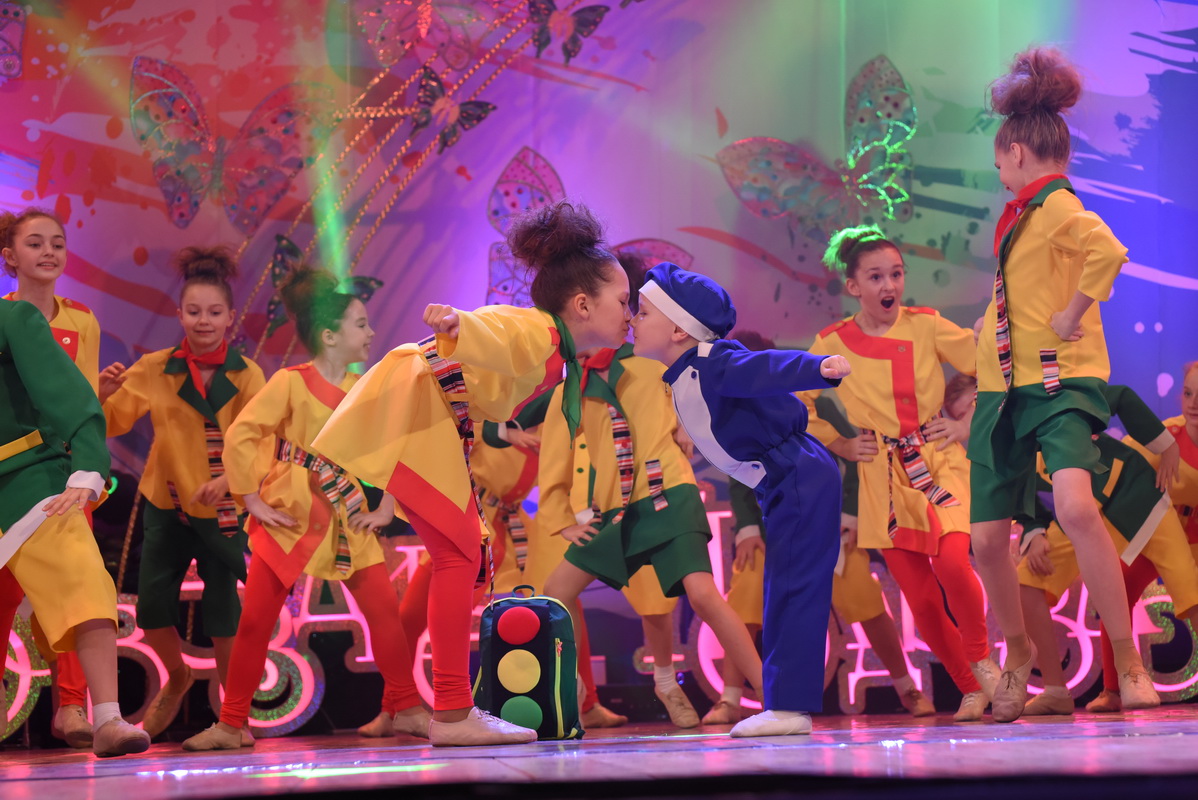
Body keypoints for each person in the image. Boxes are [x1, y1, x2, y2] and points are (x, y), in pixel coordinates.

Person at [312, 201, 633, 746]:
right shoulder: (542, 331)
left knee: (457, 557)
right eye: (623, 301)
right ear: (582, 304)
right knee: (458, 557)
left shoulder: (559, 356)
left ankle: (443, 708)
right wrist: (460, 324)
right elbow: (497, 327)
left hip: (434, 415)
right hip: (423, 408)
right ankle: (453, 712)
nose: (629, 312)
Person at [968, 46, 1157, 722]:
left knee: (1076, 508)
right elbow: (1021, 294)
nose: (1000, 176)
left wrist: (1074, 315)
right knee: (986, 541)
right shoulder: (1025, 217)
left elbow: (1109, 250)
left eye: (999, 164)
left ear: (1017, 153)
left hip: (1060, 385)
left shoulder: (1054, 206)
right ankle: (1019, 656)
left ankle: (1128, 660)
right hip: (1003, 389)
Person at [182, 266, 424, 750]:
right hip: (290, 515)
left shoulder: (366, 388)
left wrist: (386, 508)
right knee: (256, 622)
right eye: (361, 324)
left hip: (347, 515)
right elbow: (243, 433)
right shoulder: (290, 382)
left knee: (384, 614)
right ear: (329, 336)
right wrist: (250, 497)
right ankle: (231, 724)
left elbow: (399, 447)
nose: (371, 332)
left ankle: (409, 708)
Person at [630, 261, 850, 737]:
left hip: (796, 473)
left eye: (643, 312)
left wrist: (816, 367)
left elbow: (761, 366)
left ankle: (788, 708)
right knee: (785, 584)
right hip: (784, 479)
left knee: (792, 586)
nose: (633, 319)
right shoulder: (686, 372)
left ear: (677, 329)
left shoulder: (712, 362)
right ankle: (786, 704)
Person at [799, 226, 994, 722]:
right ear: (854, 286)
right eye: (876, 277)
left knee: (953, 565)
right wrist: (839, 442)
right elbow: (795, 402)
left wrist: (965, 424)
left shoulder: (926, 325)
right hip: (881, 480)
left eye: (896, 274)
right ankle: (971, 687)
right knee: (922, 601)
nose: (889, 285)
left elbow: (991, 366)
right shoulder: (832, 342)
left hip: (936, 461)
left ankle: (983, 661)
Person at [539, 340, 761, 729]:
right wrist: (562, 518)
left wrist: (689, 426)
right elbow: (555, 456)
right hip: (618, 512)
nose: (628, 317)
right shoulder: (570, 390)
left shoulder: (652, 362)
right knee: (556, 591)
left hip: (669, 493)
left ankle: (774, 694)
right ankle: (570, 691)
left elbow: (695, 392)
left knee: (702, 595)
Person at [102, 247, 265, 739]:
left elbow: (262, 442)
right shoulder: (156, 367)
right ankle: (177, 677)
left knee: (224, 616)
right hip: (167, 505)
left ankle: (234, 716)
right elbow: (113, 421)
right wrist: (103, 394)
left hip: (224, 510)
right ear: (180, 315)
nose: (203, 321)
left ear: (231, 318)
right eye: (194, 311)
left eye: (214, 312)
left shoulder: (247, 375)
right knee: (152, 611)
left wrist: (231, 480)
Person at [0, 298, 150, 757]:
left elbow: (68, 395)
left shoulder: (13, 319)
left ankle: (107, 717)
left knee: (83, 580)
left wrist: (86, 467)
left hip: (28, 479)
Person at [0, 207, 99, 748]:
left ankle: (73, 706)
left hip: (67, 475)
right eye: (35, 243)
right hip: (16, 470)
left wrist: (85, 468)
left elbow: (83, 402)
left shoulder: (82, 320)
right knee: (5, 594)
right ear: (10, 257)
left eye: (57, 243)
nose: (48, 252)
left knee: (79, 590)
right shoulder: (5, 317)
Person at [1087, 363, 1198, 712]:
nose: (1194, 403)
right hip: (1160, 537)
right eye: (1189, 393)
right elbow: (1119, 461)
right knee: (1115, 593)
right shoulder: (1165, 436)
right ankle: (1113, 688)